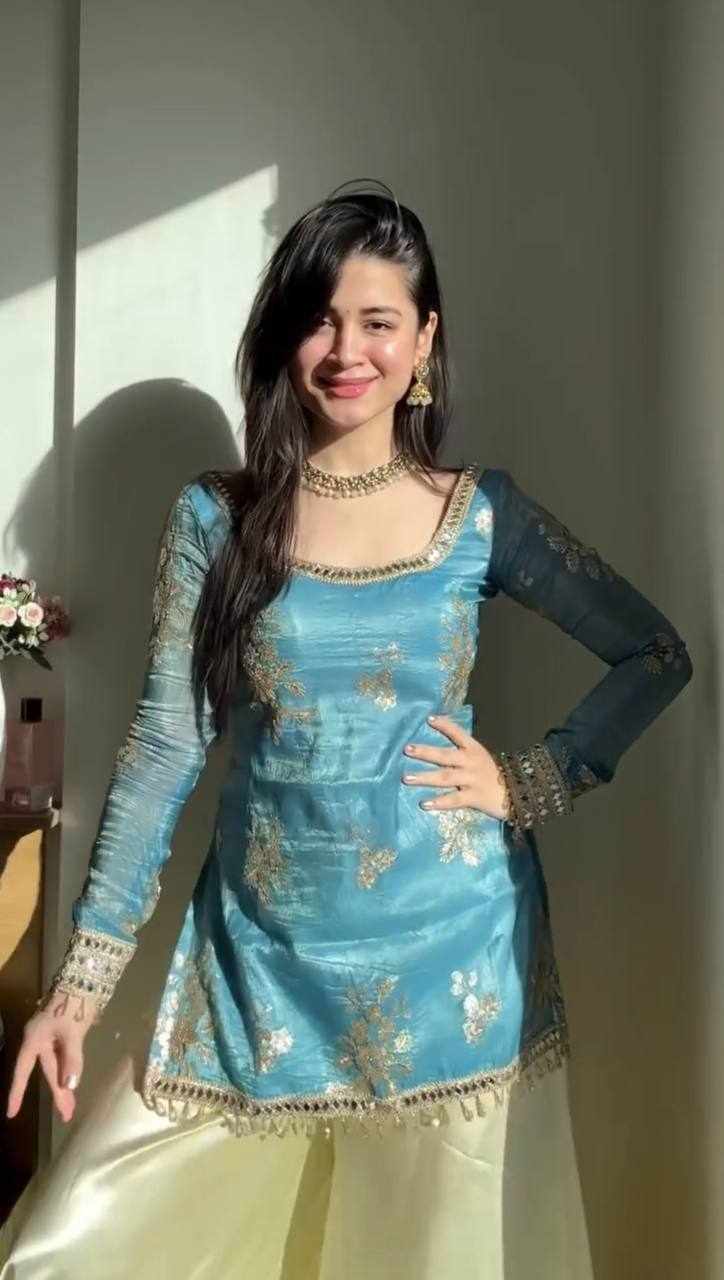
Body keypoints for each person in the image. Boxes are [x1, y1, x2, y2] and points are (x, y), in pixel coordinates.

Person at [0, 180, 692, 1278]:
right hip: (257, 959)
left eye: (378, 321)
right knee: (75, 1250)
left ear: (424, 341)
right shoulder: (216, 519)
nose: (346, 350)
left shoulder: (482, 514)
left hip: (453, 953)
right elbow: (167, 744)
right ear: (287, 336)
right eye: (321, 320)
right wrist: (76, 990)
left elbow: (654, 652)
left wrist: (535, 778)